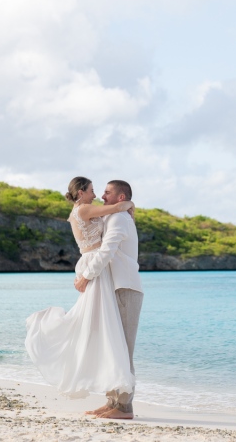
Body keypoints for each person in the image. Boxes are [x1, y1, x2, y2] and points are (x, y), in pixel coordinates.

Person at [25, 176, 135, 411]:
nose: (96, 195)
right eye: (93, 190)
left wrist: (126, 206)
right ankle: (117, 400)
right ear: (81, 192)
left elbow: (111, 213)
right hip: (95, 264)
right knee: (103, 327)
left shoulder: (82, 210)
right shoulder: (84, 209)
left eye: (100, 191)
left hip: (92, 263)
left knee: (96, 325)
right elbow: (116, 207)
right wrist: (129, 205)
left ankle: (113, 399)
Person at [74, 180, 143, 420]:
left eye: (107, 192)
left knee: (123, 349)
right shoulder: (114, 215)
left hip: (125, 287)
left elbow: (107, 250)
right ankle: (113, 401)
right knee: (113, 346)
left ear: (120, 197)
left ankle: (125, 407)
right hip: (114, 287)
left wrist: (86, 276)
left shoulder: (119, 218)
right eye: (101, 191)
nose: (102, 196)